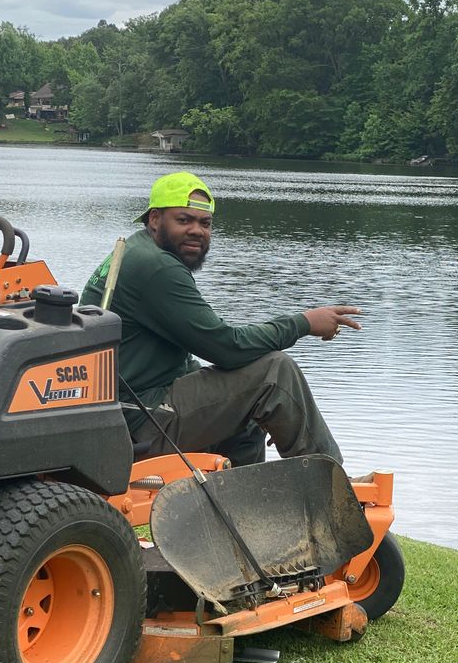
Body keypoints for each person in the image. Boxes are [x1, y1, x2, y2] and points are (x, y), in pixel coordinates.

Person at [81, 171, 360, 466]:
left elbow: (187, 355)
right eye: (184, 220)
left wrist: (258, 405)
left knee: (248, 414)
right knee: (275, 373)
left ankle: (243, 503)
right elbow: (226, 347)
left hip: (122, 410)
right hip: (139, 421)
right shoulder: (156, 268)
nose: (197, 231)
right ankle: (331, 485)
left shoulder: (139, 250)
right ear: (154, 219)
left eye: (205, 223)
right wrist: (303, 323)